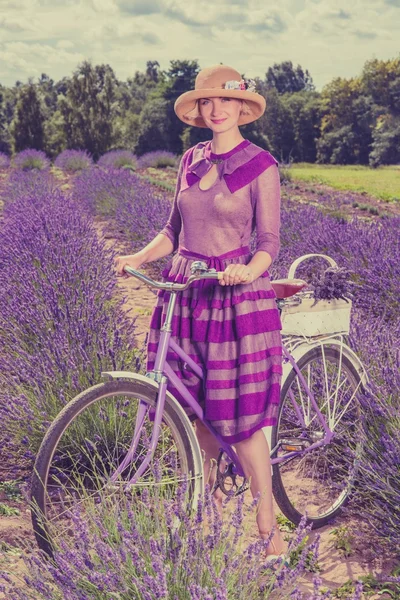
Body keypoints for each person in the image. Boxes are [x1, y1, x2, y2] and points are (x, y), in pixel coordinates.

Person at [115, 64, 286, 557]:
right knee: (194, 411)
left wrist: (248, 271)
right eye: (207, 103)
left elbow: (269, 243)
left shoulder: (262, 166)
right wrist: (137, 257)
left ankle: (267, 524)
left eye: (224, 102)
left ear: (242, 109)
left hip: (235, 298)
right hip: (187, 291)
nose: (215, 110)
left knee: (240, 417)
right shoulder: (190, 159)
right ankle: (203, 507)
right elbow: (172, 232)